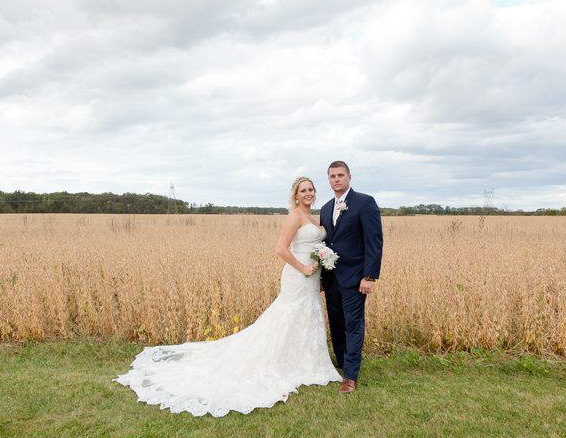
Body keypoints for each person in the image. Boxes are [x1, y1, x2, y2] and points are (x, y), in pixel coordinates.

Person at [114, 177, 342, 416]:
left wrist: (320, 265)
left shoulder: (314, 218)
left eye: (310, 189)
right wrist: (303, 268)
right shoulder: (295, 216)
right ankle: (278, 362)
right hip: (297, 275)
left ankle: (304, 362)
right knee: (289, 314)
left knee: (306, 315)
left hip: (312, 277)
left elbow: (316, 246)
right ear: (296, 195)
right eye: (303, 190)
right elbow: (281, 249)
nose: (307, 193)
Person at [319, 161, 383, 393]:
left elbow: (374, 241)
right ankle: (342, 364)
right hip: (332, 278)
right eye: (332, 176)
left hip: (356, 278)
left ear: (349, 177)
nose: (336, 179)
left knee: (353, 325)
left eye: (340, 175)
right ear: (328, 179)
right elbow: (325, 244)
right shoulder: (326, 208)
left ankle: (350, 377)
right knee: (336, 324)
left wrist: (369, 276)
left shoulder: (364, 203)